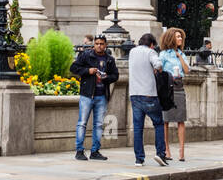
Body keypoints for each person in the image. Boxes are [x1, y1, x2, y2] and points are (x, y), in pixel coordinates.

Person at [71, 34, 119, 161]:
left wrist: (106, 77)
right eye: (97, 43)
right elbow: (74, 68)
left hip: (101, 95)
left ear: (105, 45)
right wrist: (88, 71)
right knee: (82, 123)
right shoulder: (87, 55)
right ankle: (79, 151)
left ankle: (95, 151)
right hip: (87, 95)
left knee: (98, 125)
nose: (99, 46)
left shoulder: (109, 59)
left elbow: (115, 76)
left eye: (101, 44)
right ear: (94, 45)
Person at [127, 33, 167, 167]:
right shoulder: (151, 52)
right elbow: (159, 65)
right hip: (149, 94)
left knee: (138, 127)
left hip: (134, 94)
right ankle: (160, 154)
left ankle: (139, 159)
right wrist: (158, 70)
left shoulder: (132, 51)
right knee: (159, 123)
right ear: (151, 44)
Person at [159, 27, 190, 161]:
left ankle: (182, 152)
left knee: (181, 119)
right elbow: (159, 69)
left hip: (179, 86)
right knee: (165, 120)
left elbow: (187, 70)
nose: (180, 39)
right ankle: (167, 150)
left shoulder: (181, 54)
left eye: (181, 37)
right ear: (171, 38)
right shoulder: (164, 54)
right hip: (167, 86)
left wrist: (179, 57)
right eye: (178, 37)